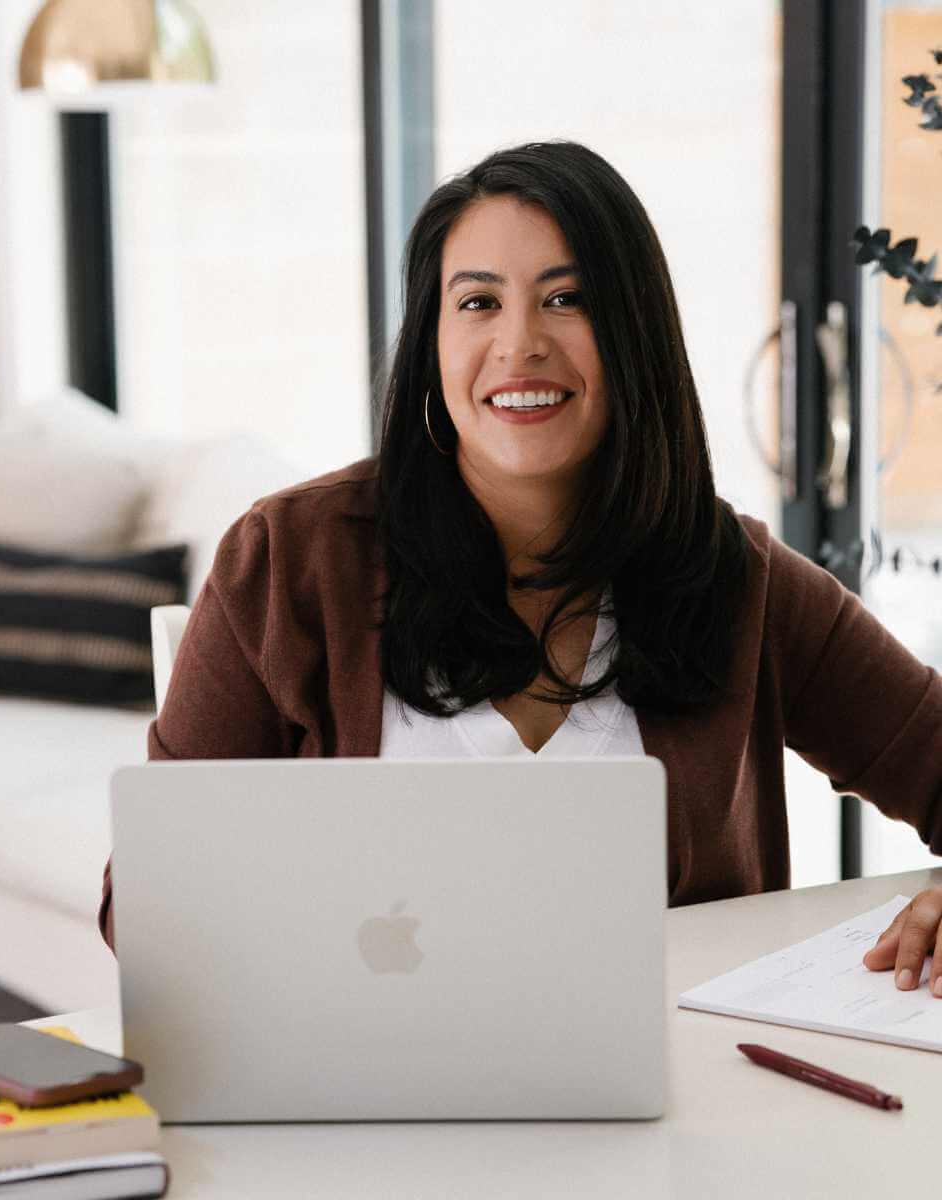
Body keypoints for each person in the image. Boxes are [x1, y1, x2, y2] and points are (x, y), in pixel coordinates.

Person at [99, 140, 942, 995]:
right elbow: (143, 907)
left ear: (634, 334)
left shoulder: (737, 577)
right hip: (366, 1097)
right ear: (431, 341)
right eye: (478, 303)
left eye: (567, 298)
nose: (520, 344)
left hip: (692, 1102)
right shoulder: (288, 560)